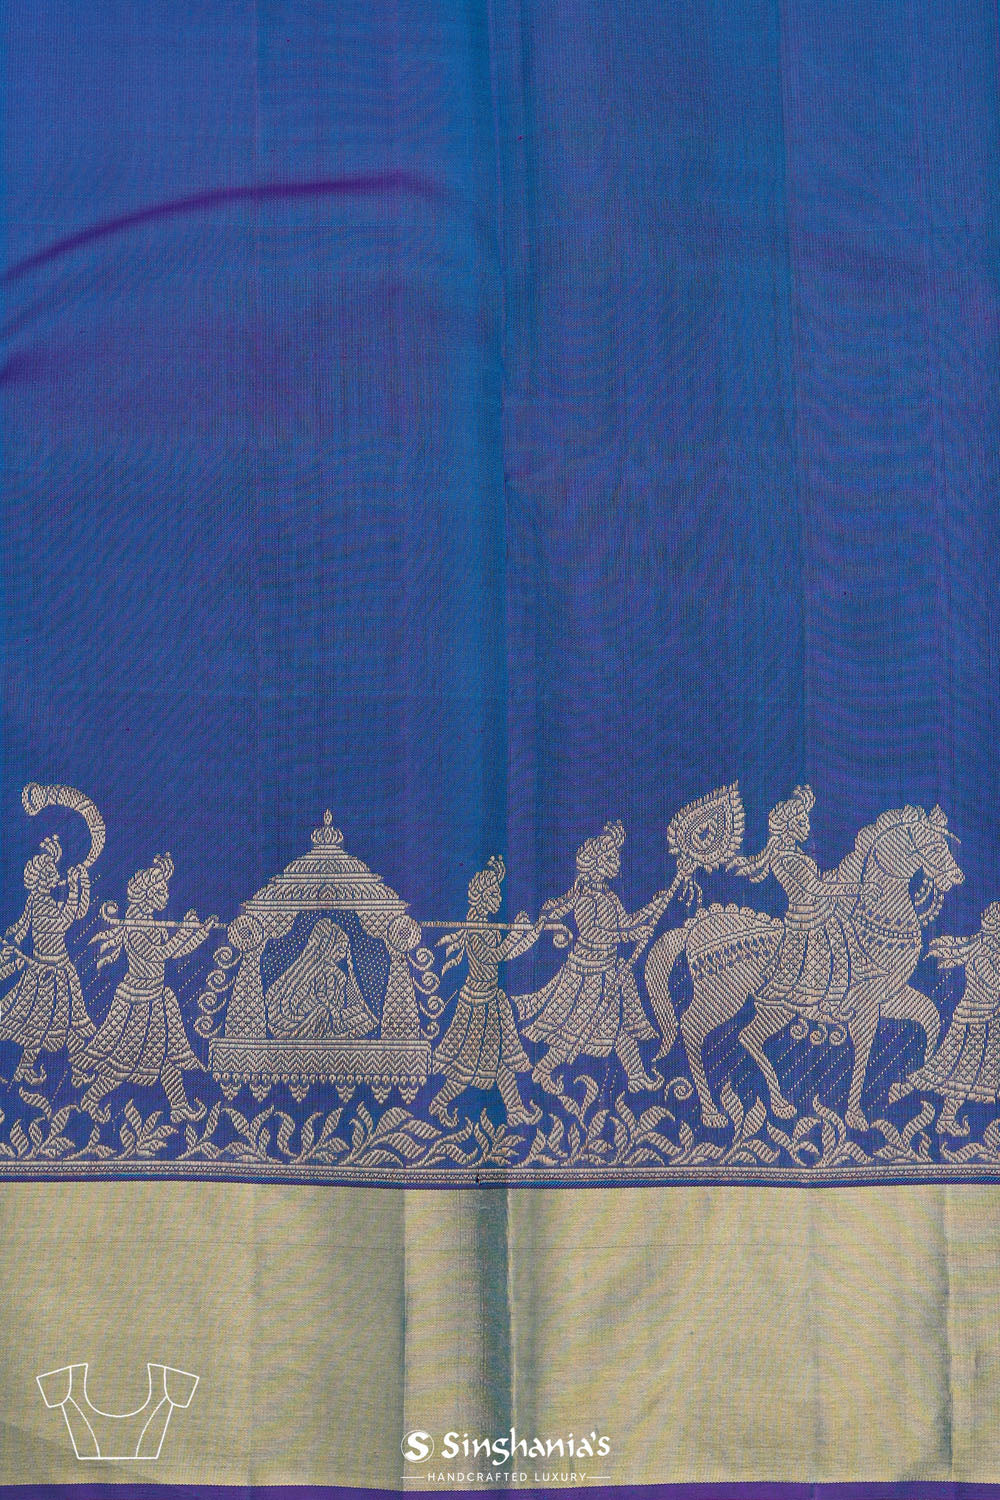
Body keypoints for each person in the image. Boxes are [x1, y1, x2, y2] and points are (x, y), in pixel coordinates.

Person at [515, 822, 672, 1094]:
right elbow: (593, 933)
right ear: (598, 864)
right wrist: (630, 935)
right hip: (587, 974)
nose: (618, 863)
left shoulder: (609, 896)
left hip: (608, 969)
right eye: (612, 858)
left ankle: (636, 1077)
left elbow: (626, 922)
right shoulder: (587, 898)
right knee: (576, 1027)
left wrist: (652, 908)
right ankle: (543, 1069)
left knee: (620, 1025)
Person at [80, 854, 215, 1124]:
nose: (166, 895)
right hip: (138, 1000)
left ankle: (178, 1107)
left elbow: (174, 953)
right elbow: (159, 954)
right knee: (125, 1060)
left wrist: (199, 934)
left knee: (166, 1054)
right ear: (146, 895)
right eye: (161, 891)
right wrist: (184, 933)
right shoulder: (135, 928)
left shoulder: (151, 923)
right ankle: (91, 1098)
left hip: (157, 997)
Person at [429, 855, 544, 1128]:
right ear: (481, 898)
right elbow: (495, 956)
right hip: (477, 1004)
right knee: (468, 1064)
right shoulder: (476, 930)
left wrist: (531, 934)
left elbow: (507, 953)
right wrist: (517, 934)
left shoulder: (485, 926)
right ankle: (438, 1102)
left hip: (492, 1000)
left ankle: (515, 1110)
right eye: (493, 894)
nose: (498, 899)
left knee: (502, 1058)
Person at [889, 903, 1000, 1134]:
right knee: (952, 1072)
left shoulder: (988, 952)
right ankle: (909, 1092)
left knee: (960, 1074)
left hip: (984, 1021)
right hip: (973, 1023)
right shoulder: (982, 956)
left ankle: (942, 1115)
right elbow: (992, 987)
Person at [0, 835, 94, 1086]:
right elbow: (64, 922)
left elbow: (23, 927)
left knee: (63, 1022)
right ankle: (28, 1068)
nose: (56, 874)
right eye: (52, 871)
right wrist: (73, 889)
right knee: (43, 1024)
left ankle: (74, 1069)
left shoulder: (38, 899)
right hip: (48, 973)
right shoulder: (42, 903)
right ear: (41, 878)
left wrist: (80, 886)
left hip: (59, 969)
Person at [265, 919, 377, 1040]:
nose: (342, 955)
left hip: (331, 1014)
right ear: (328, 948)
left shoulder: (338, 974)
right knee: (325, 1012)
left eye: (345, 951)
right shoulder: (320, 970)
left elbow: (338, 1000)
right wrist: (333, 1011)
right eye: (340, 950)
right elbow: (320, 996)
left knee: (359, 1014)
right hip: (312, 1017)